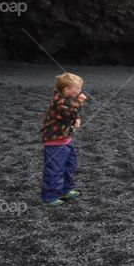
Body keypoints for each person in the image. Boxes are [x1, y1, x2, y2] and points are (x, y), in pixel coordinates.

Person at [40, 72, 86, 207]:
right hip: (55, 140)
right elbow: (70, 112)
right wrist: (80, 102)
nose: (80, 91)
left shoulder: (66, 99)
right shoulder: (59, 101)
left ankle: (66, 190)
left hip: (65, 138)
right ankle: (50, 196)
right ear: (67, 89)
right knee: (55, 168)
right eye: (77, 88)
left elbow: (70, 115)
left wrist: (76, 119)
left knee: (69, 165)